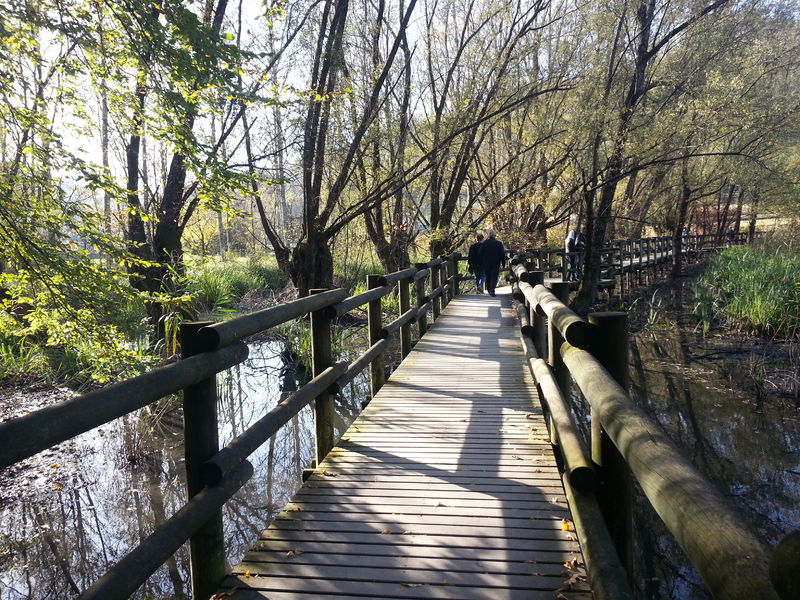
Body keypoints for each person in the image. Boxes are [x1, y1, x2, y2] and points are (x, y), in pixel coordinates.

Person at [479, 230, 506, 296]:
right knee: (494, 276)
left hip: (486, 263)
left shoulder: (485, 243)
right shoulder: (499, 243)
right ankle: (492, 290)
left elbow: (480, 253)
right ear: (495, 236)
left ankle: (489, 289)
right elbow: (502, 254)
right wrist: (503, 263)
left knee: (488, 276)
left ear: (489, 235)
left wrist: (482, 262)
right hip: (496, 262)